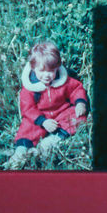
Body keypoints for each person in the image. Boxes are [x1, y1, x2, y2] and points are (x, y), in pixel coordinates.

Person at [5, 41, 89, 169]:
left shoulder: (63, 80)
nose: (47, 75)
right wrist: (43, 121)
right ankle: (21, 151)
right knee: (28, 126)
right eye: (42, 71)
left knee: (76, 117)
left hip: (61, 112)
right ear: (33, 68)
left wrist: (80, 103)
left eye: (51, 71)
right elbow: (27, 108)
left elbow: (76, 89)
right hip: (40, 116)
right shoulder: (30, 88)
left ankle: (54, 139)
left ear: (57, 68)